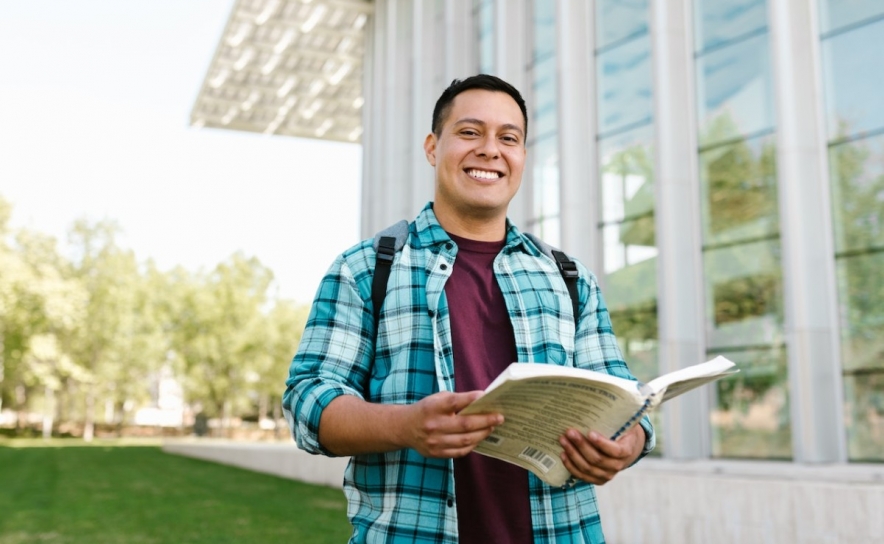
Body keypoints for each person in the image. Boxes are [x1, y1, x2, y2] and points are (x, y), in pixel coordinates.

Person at [283, 74, 654, 543]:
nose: (490, 150)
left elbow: (625, 402)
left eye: (509, 138)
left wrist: (625, 443)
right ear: (433, 147)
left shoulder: (570, 278)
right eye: (470, 132)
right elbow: (306, 402)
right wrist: (406, 426)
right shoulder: (364, 269)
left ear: (522, 157)